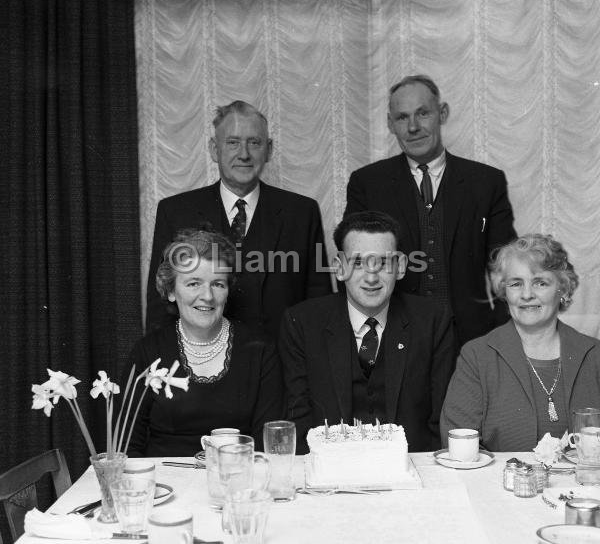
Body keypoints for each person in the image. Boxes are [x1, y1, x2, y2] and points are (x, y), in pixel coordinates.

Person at [345, 75, 517, 347]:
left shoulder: (485, 183)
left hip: (471, 340)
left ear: (442, 114)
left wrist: (499, 330)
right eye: (402, 117)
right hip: (392, 340)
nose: (413, 127)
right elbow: (356, 266)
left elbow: (507, 266)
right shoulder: (367, 184)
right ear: (391, 124)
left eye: (423, 113)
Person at [146, 100, 332, 338]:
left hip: (283, 364)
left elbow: (320, 303)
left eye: (254, 143)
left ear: (269, 150)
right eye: (232, 143)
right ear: (214, 150)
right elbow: (160, 303)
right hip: (200, 364)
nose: (244, 154)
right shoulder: (175, 212)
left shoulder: (302, 213)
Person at [279, 211, 455, 454]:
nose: (371, 277)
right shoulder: (302, 323)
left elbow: (441, 419)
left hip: (410, 469)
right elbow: (298, 417)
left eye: (383, 263)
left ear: (401, 267)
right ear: (340, 268)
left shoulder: (433, 321)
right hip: (330, 473)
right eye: (358, 263)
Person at [127, 228, 283, 456]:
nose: (207, 296)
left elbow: (268, 445)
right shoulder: (147, 352)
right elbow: (129, 447)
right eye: (193, 283)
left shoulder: (261, 351)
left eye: (218, 284)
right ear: (171, 291)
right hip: (166, 486)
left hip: (237, 483)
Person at [440, 234, 600, 452]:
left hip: (584, 485)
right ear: (504, 291)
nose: (526, 295)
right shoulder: (477, 356)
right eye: (516, 283)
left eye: (540, 283)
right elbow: (458, 446)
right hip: (500, 485)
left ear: (562, 288)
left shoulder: (594, 354)